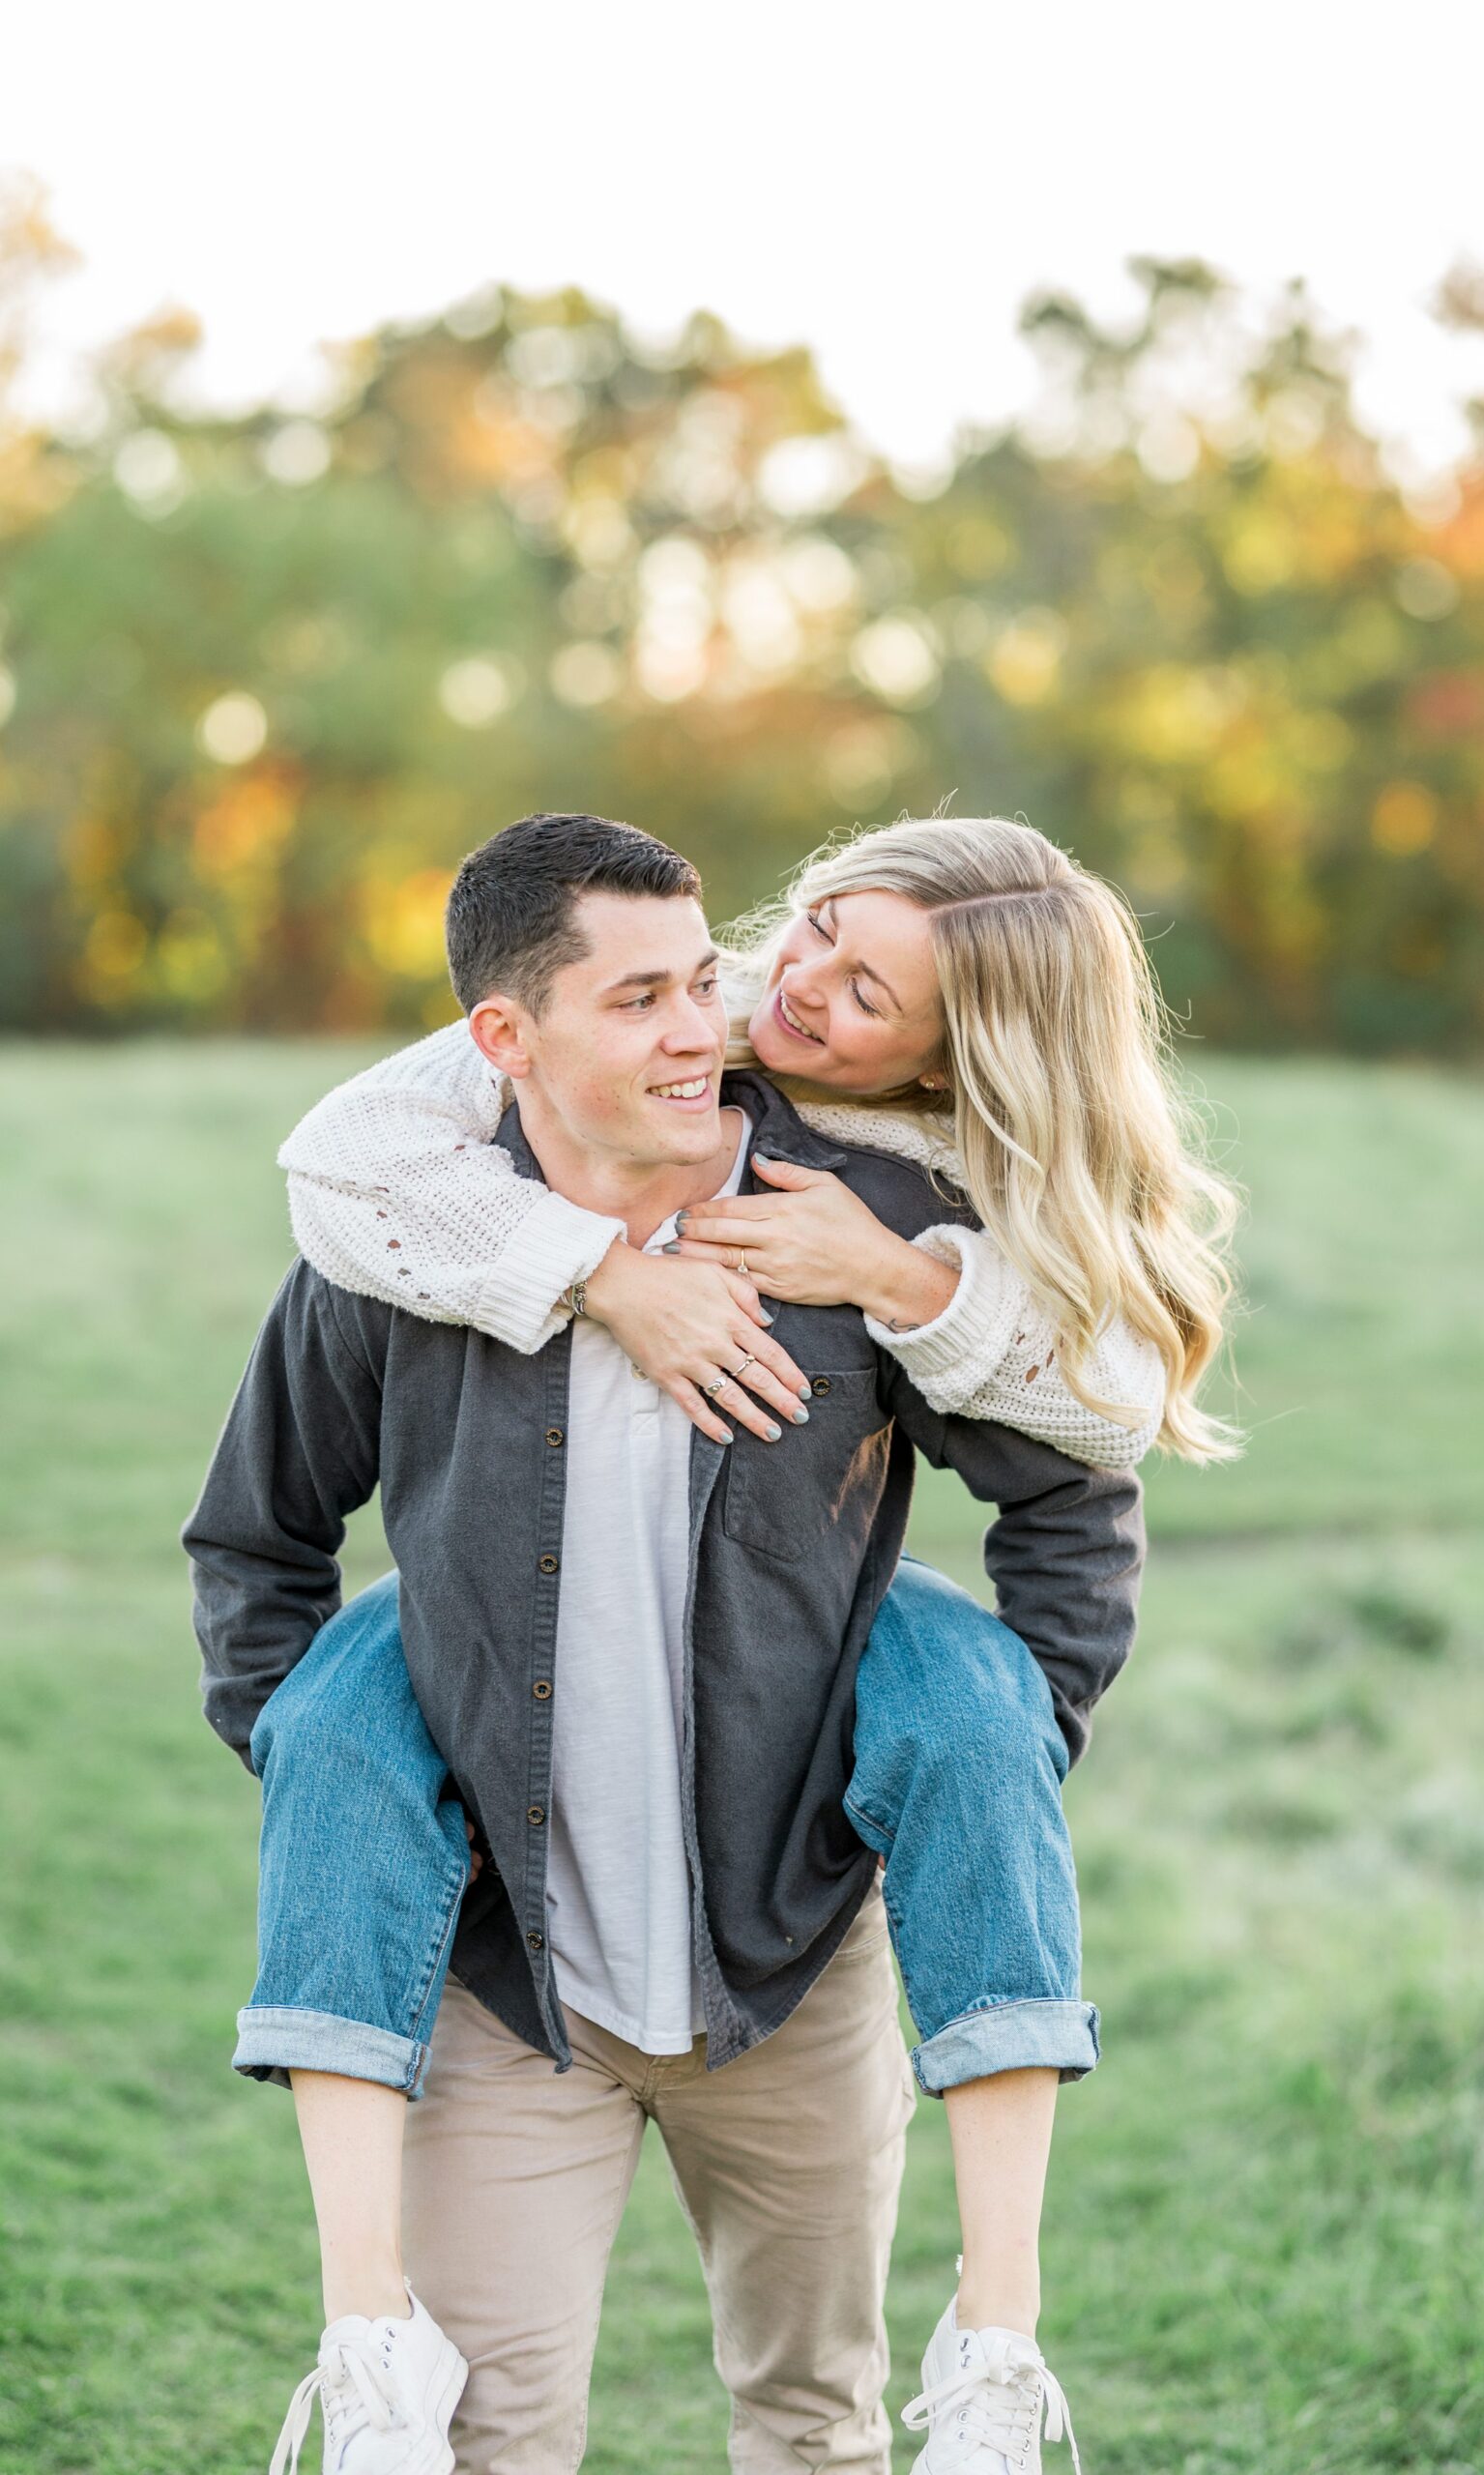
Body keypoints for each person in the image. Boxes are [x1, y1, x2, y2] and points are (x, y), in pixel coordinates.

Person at [185, 812, 1155, 2475]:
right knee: (482, 2441)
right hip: (511, 1979)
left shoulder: (860, 1226)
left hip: (796, 1969)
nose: (717, 1022)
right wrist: (352, 1769)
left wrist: (1001, 1738)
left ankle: (994, 2339)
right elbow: (257, 1540)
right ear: (511, 1036)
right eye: (641, 999)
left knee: (815, 2426)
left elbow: (1078, 1487)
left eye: (701, 981)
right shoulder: (407, 1236)